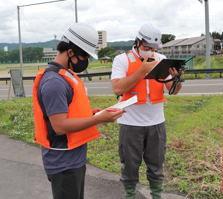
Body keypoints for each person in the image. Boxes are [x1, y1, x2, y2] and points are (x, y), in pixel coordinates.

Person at [32, 22, 124, 199]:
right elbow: (59, 126)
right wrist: (97, 120)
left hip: (73, 159)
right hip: (63, 164)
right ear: (70, 52)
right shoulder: (54, 83)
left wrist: (92, 115)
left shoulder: (65, 75)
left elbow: (67, 114)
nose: (86, 61)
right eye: (84, 56)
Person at [111, 23, 183, 199]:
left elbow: (172, 91)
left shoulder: (161, 58)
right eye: (146, 47)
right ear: (137, 42)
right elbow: (118, 89)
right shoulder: (122, 60)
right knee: (129, 166)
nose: (149, 51)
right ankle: (130, 195)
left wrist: (177, 79)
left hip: (156, 123)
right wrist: (142, 71)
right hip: (130, 124)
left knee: (156, 165)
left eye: (152, 48)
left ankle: (157, 195)